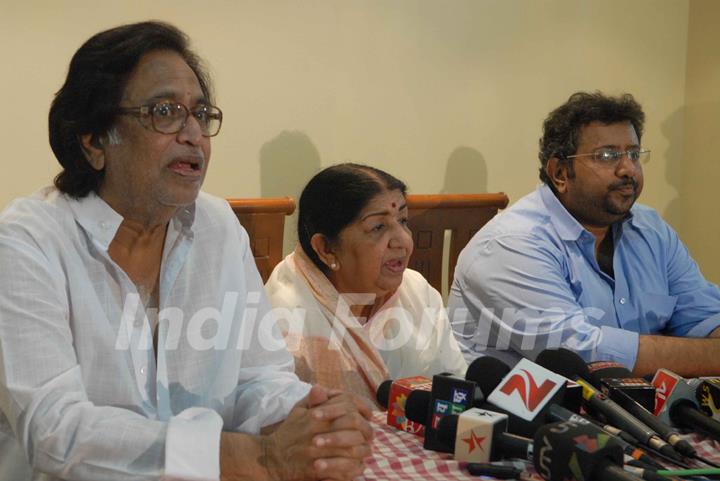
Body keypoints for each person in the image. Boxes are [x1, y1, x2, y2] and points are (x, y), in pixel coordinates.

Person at [0, 22, 371, 481]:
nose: (194, 134)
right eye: (165, 112)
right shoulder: (27, 242)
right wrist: (256, 459)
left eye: (200, 114)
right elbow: (55, 431)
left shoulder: (218, 228)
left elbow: (257, 378)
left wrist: (312, 416)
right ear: (94, 140)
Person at [448, 92, 720, 377]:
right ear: (560, 173)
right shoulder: (512, 243)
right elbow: (583, 355)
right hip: (519, 416)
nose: (627, 168)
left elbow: (704, 315)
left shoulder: (651, 229)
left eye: (634, 154)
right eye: (607, 156)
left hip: (637, 413)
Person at [265, 164, 467, 407]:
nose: (403, 241)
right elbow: (278, 421)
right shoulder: (283, 311)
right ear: (326, 249)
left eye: (403, 220)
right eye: (378, 227)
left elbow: (456, 387)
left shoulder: (416, 291)